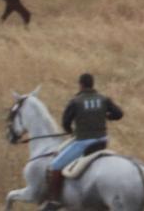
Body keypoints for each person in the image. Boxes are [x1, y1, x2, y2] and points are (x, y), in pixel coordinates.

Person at [40, 73, 124, 211]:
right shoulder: (103, 99)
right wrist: (107, 116)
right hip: (103, 141)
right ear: (92, 84)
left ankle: (54, 201)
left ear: (81, 84)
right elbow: (119, 114)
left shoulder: (75, 101)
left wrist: (71, 130)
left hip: (84, 143)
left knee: (55, 165)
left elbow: (66, 123)